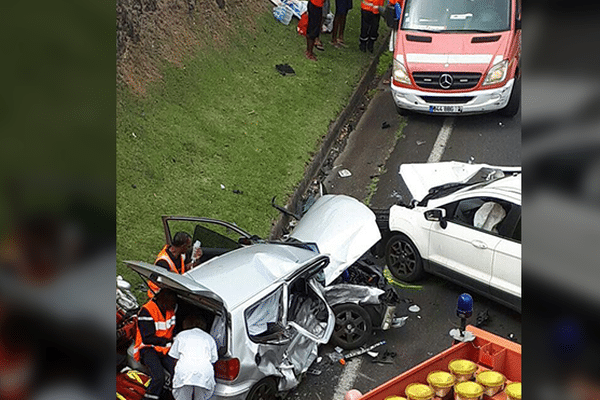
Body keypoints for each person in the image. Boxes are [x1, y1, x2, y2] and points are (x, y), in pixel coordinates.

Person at [134, 289, 178, 400]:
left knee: (177, 373)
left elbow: (173, 329)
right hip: (148, 348)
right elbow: (147, 338)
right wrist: (167, 342)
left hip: (165, 348)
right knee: (158, 377)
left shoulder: (169, 310)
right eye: (171, 302)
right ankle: (149, 398)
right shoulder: (147, 311)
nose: (173, 305)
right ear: (162, 300)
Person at [168, 315, 218, 400]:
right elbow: (213, 360)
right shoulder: (210, 338)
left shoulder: (181, 335)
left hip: (185, 371)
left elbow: (173, 357)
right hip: (204, 372)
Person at [148, 232, 202, 298]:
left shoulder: (180, 255)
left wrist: (196, 259)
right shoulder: (163, 262)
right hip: (159, 295)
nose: (189, 249)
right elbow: (165, 284)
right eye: (188, 246)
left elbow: (184, 268)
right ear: (183, 246)